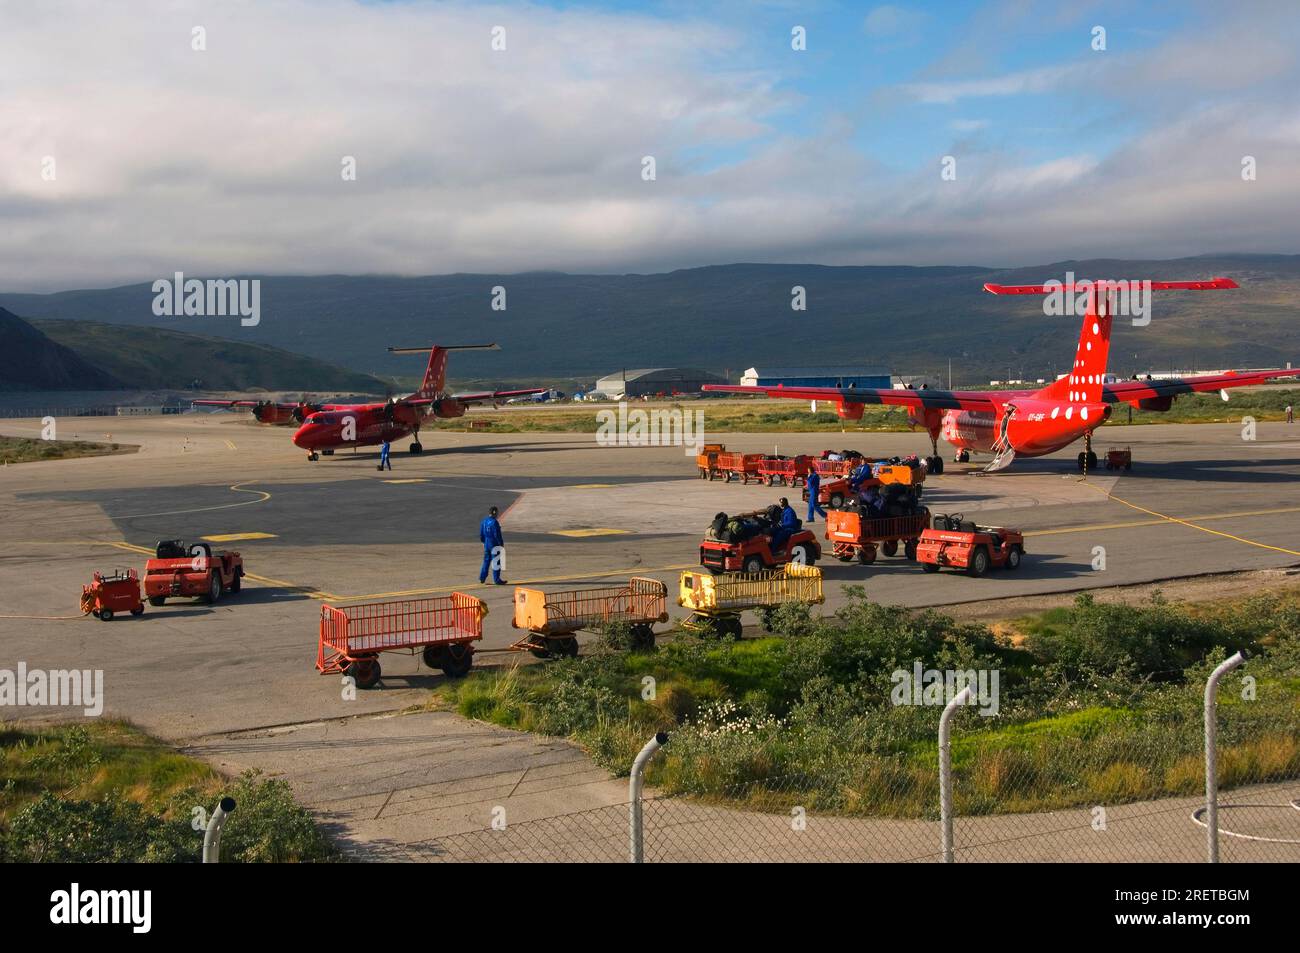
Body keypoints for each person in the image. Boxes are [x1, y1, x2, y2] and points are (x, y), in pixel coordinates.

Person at [479, 505, 507, 585]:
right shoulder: (495, 522)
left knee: (486, 561)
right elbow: (497, 535)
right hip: (494, 544)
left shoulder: (484, 521)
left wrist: (484, 542)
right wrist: (501, 544)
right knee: (496, 562)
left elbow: (481, 534)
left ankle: (482, 577)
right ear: (495, 513)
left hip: (487, 543)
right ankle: (497, 579)